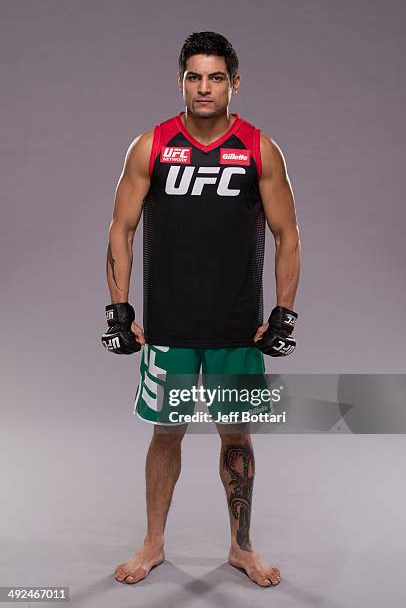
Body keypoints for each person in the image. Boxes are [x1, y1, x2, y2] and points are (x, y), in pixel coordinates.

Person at [101, 31, 300, 588]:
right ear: (181, 80)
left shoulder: (259, 149)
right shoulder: (153, 146)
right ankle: (153, 543)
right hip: (169, 324)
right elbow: (121, 228)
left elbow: (288, 234)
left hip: (237, 325)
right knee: (167, 432)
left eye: (216, 77)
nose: (204, 87)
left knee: (235, 436)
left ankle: (242, 548)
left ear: (234, 84)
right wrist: (118, 310)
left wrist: (284, 314)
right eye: (194, 76)